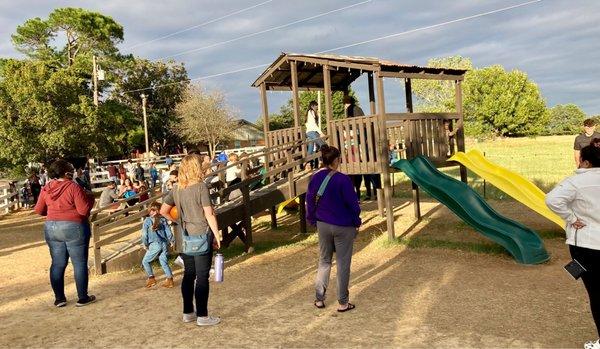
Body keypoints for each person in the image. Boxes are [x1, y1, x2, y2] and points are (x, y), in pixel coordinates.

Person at [546, 145, 600, 348]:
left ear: (585, 162)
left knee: (596, 293)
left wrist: (571, 217)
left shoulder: (577, 180)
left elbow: (552, 199)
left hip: (586, 246)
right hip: (589, 245)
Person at [160, 154, 222, 326]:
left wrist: (178, 221)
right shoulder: (201, 187)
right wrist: (217, 235)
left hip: (184, 236)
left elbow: (163, 211)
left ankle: (188, 312)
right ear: (197, 167)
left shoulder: (176, 188)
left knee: (189, 274)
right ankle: (203, 315)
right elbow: (209, 214)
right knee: (202, 277)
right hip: (201, 234)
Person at [34, 159, 96, 307]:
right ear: (66, 172)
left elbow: (38, 210)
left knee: (57, 264)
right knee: (79, 263)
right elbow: (83, 210)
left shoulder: (46, 188)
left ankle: (59, 298)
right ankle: (82, 297)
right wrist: (91, 198)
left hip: (52, 228)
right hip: (74, 226)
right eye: (71, 169)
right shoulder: (73, 187)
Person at [306, 145, 361, 312]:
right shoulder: (343, 180)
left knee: (324, 261)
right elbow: (353, 205)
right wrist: (356, 221)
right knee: (343, 264)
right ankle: (343, 302)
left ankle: (319, 298)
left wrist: (312, 219)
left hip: (323, 224)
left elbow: (310, 200)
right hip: (343, 225)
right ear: (336, 160)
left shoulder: (315, 178)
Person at [141, 202, 175, 288]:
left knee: (145, 261)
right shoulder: (163, 220)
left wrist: (145, 244)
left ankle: (151, 278)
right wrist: (171, 241)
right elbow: (168, 232)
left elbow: (144, 235)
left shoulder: (147, 221)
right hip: (164, 243)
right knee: (164, 262)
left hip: (154, 245)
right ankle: (170, 280)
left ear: (151, 211)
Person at [343, 95, 366, 200]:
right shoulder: (359, 108)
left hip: (355, 136)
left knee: (353, 174)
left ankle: (355, 195)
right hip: (362, 136)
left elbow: (348, 123)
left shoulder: (349, 109)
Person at [305, 101, 327, 169]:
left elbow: (308, 124)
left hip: (309, 132)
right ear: (312, 106)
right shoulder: (311, 112)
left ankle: (306, 164)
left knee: (311, 148)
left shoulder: (309, 113)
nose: (317, 107)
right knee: (323, 145)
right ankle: (323, 162)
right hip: (312, 132)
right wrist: (320, 133)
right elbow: (314, 124)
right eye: (316, 106)